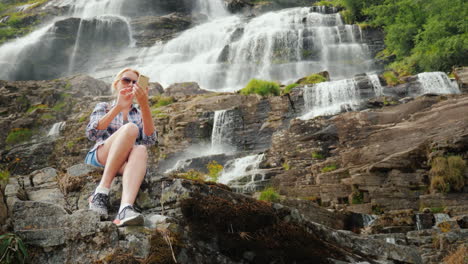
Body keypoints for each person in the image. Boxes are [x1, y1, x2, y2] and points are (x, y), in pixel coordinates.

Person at [84, 68, 157, 227]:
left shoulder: (139, 112)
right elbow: (92, 134)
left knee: (141, 149)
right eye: (126, 80)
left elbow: (150, 140)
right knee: (131, 129)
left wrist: (144, 105)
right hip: (100, 155)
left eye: (135, 82)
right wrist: (118, 107)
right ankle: (101, 192)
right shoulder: (104, 106)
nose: (131, 84)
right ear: (116, 84)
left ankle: (125, 209)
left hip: (124, 162)